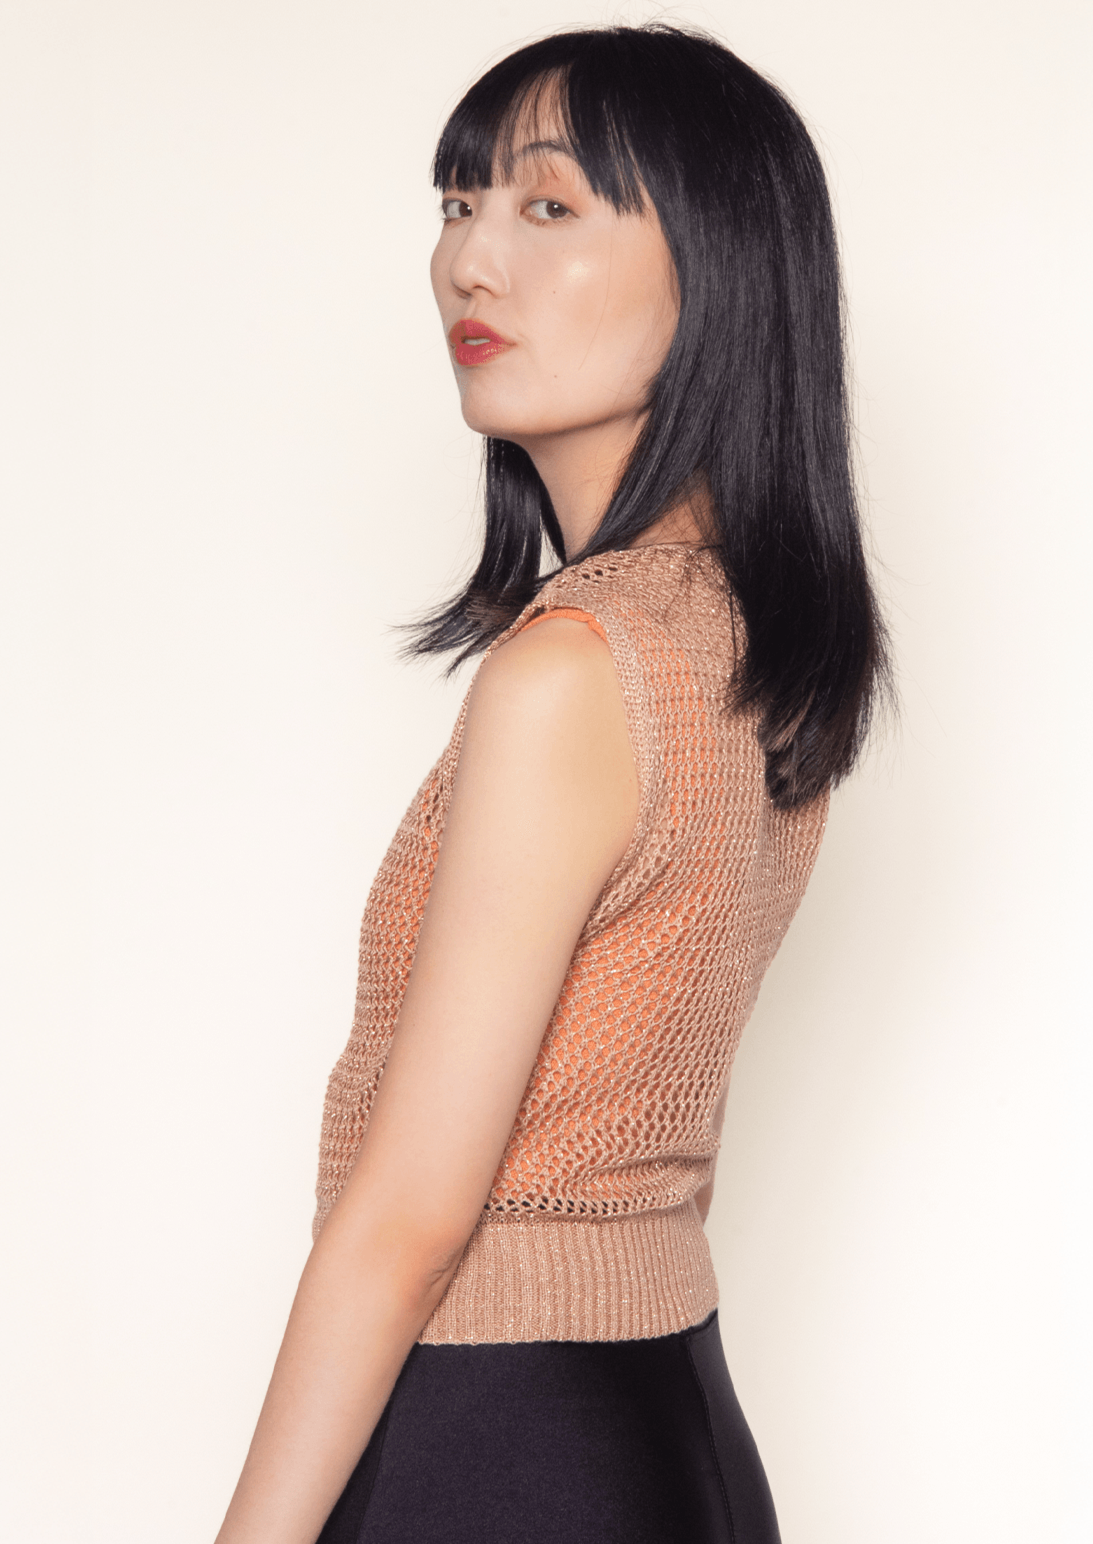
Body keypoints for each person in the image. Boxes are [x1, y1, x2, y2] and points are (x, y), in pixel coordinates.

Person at [215, 23, 889, 1544]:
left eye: (548, 205)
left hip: (498, 1446)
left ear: (717, 268)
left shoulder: (577, 670)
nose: (470, 262)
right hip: (666, 1427)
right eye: (458, 204)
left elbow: (410, 1218)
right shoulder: (752, 641)